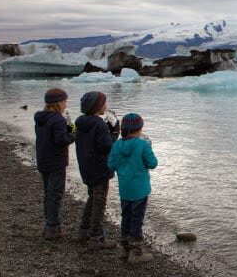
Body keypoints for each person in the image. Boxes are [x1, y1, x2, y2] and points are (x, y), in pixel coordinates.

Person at [107, 113, 158, 264]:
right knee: (137, 219)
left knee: (126, 217)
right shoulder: (142, 145)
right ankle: (136, 252)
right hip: (140, 189)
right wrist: (148, 147)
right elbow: (152, 163)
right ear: (139, 128)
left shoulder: (116, 145)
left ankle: (124, 249)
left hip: (125, 189)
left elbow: (110, 165)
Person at [75, 91, 120, 250]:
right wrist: (114, 132)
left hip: (86, 167)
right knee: (99, 200)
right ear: (97, 107)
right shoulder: (99, 124)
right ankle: (97, 237)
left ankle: (84, 230)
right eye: (104, 103)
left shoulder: (80, 122)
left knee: (93, 197)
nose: (106, 106)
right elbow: (106, 146)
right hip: (100, 168)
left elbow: (92, 142)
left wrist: (107, 132)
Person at [34, 87, 76, 240]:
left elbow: (50, 136)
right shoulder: (57, 119)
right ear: (57, 103)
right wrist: (73, 135)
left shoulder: (40, 118)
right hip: (56, 161)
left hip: (43, 159)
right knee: (55, 194)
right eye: (64, 101)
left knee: (48, 193)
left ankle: (50, 225)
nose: (66, 104)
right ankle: (53, 226)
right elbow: (61, 140)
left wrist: (69, 128)